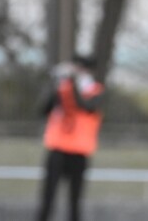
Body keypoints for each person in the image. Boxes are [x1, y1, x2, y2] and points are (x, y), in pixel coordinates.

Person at [36, 54, 105, 221]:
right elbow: (43, 110)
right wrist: (56, 83)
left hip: (79, 152)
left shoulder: (95, 91)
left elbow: (85, 106)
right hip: (57, 149)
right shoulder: (63, 88)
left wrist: (72, 83)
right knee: (47, 198)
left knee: (74, 201)